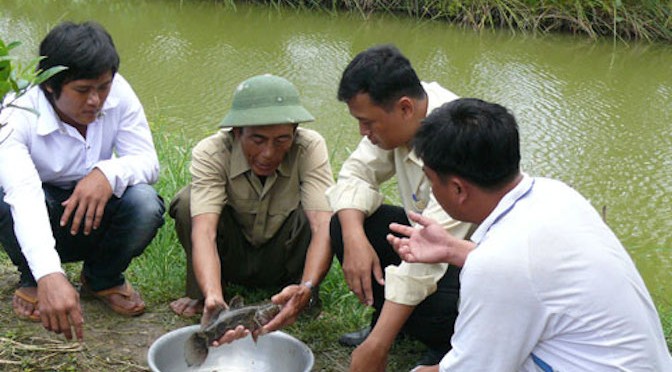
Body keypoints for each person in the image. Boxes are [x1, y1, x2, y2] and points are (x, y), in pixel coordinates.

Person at [387, 98, 672, 371]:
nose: (430, 188)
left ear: (459, 189)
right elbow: (532, 269)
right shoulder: (555, 194)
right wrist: (453, 248)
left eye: (431, 179)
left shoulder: (499, 264)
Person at [0, 21, 165, 341]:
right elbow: (24, 193)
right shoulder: (15, 114)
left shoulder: (117, 91)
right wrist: (50, 273)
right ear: (50, 85)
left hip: (97, 211)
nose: (96, 100)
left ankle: (101, 277)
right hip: (42, 205)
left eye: (103, 87)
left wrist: (106, 173)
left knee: (145, 202)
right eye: (82, 90)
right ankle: (34, 278)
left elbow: (148, 162)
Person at [325, 44, 474, 370]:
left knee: (436, 286)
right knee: (348, 222)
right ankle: (396, 327)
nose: (363, 133)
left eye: (368, 123)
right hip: (431, 243)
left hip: (469, 264)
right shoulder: (406, 115)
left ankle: (448, 344)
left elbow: (428, 259)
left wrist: (376, 347)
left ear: (405, 108)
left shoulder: (457, 137)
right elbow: (354, 175)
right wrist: (354, 239)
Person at [168, 74, 334, 343]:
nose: (269, 153)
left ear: (295, 132)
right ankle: (205, 296)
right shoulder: (210, 152)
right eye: (257, 140)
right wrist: (212, 294)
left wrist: (307, 286)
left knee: (328, 213)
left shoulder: (310, 147)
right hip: (232, 256)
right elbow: (204, 232)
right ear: (236, 132)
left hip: (282, 259)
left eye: (282, 140)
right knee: (187, 203)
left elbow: (322, 226)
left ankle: (300, 298)